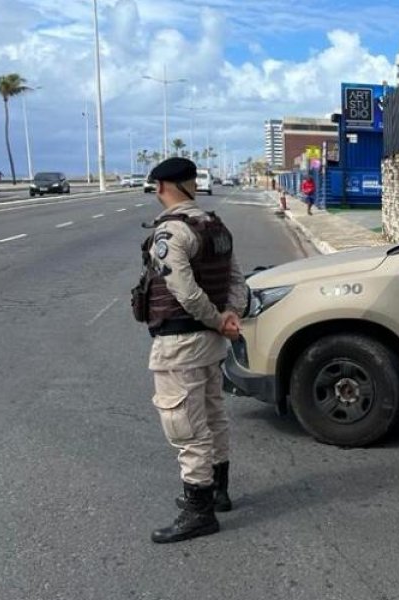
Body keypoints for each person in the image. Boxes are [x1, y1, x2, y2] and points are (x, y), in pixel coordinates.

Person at [132, 157, 248, 544]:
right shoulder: (214, 225)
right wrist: (230, 316)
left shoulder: (171, 232)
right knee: (213, 417)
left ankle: (199, 512)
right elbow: (236, 280)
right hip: (211, 344)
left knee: (186, 426)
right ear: (192, 184)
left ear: (161, 187)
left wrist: (216, 319)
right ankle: (218, 491)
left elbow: (184, 291)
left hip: (180, 344)